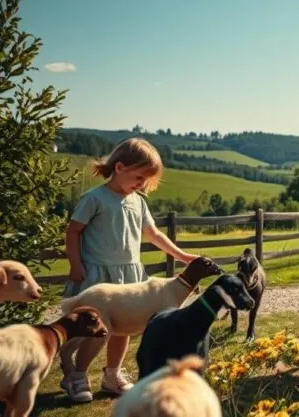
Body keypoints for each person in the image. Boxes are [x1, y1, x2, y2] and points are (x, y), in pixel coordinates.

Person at [61, 138, 198, 402]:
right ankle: (77, 376)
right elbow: (73, 231)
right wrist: (76, 264)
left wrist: (180, 256)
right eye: (139, 177)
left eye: (146, 180)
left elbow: (153, 233)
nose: (142, 184)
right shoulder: (94, 199)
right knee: (94, 331)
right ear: (120, 167)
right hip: (98, 277)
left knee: (123, 331)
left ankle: (112, 375)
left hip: (129, 276)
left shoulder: (138, 202)